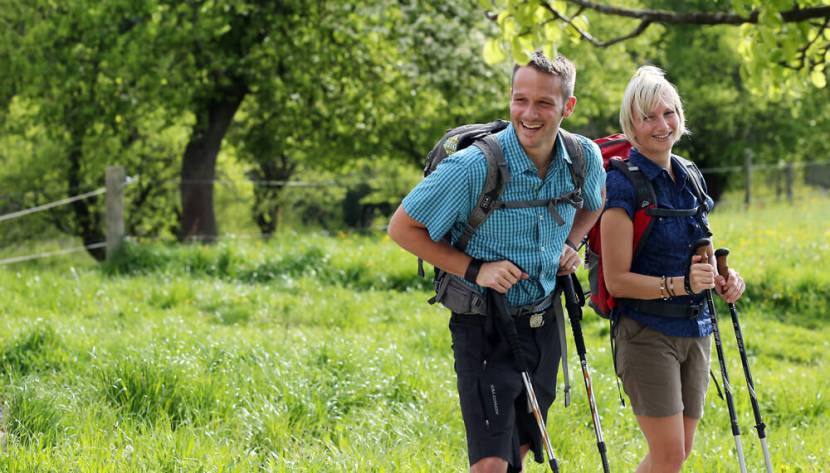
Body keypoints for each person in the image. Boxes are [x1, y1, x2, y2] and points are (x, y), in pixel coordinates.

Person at [388, 51, 605, 473]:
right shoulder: (473, 167)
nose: (529, 113)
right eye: (520, 99)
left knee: (518, 451)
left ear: (568, 107)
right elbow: (402, 228)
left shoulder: (583, 159)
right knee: (489, 464)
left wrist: (571, 243)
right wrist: (476, 269)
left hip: (544, 323)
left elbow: (594, 204)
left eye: (544, 103)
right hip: (482, 324)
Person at [601, 66, 746, 473]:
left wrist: (724, 280)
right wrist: (679, 284)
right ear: (631, 124)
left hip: (696, 330)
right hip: (646, 333)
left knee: (678, 453)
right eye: (648, 117)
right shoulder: (622, 185)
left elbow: (705, 249)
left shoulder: (690, 176)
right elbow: (617, 280)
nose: (661, 125)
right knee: (667, 456)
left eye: (668, 113)